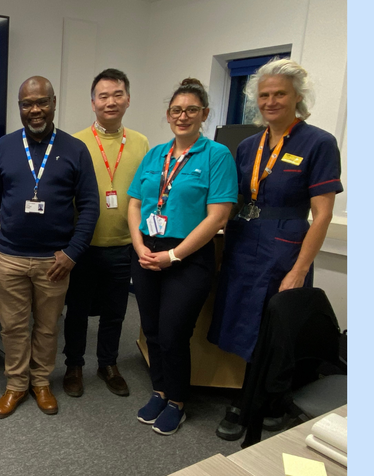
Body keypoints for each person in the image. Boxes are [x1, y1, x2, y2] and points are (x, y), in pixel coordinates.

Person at [209, 58, 343, 440]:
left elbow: (322, 216)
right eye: (264, 95)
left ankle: (254, 404)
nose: (271, 101)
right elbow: (228, 199)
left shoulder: (318, 143)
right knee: (242, 322)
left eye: (279, 94)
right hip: (244, 241)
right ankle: (263, 397)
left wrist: (300, 269)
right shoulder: (248, 145)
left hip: (285, 249)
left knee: (272, 327)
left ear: (297, 97)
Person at [0, 76, 100, 418]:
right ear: (20, 107)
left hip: (55, 260)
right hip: (11, 258)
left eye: (41, 102)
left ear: (54, 102)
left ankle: (41, 382)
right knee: (13, 327)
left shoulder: (74, 148)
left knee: (48, 327)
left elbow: (90, 205)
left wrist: (73, 252)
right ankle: (16, 385)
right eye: (26, 104)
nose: (34, 110)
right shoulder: (3, 146)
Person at [127, 79, 237, 435]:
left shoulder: (216, 155)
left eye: (191, 110)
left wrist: (172, 255)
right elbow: (134, 203)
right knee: (153, 329)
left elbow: (218, 216)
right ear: (168, 114)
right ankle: (160, 390)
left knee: (174, 332)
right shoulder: (155, 154)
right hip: (146, 251)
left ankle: (177, 400)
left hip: (188, 257)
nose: (183, 116)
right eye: (176, 110)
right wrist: (139, 245)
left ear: (204, 114)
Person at [63, 68, 150, 398]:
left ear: (128, 99)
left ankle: (108, 363)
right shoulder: (74, 143)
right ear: (93, 102)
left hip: (123, 245)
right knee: (78, 312)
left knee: (115, 311)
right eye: (103, 96)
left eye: (117, 95)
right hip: (82, 246)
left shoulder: (141, 143)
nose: (110, 102)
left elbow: (145, 194)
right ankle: (74, 364)